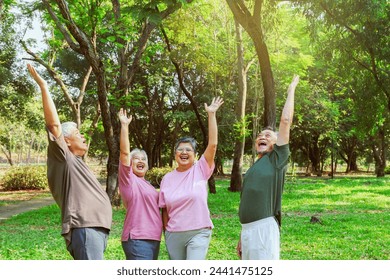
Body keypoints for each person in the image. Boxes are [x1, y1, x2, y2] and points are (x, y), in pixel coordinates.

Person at [27, 64, 112, 260]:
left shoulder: (77, 161)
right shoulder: (63, 157)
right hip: (84, 228)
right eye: (77, 133)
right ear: (65, 141)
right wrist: (44, 87)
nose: (82, 136)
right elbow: (53, 125)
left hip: (94, 230)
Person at [237, 75, 299, 260]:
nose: (262, 136)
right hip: (248, 230)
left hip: (263, 229)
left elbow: (285, 120)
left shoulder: (277, 159)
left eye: (268, 135)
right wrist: (242, 234)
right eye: (260, 135)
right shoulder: (256, 166)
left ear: (276, 143)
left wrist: (291, 91)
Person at [159, 96, 224, 260]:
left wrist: (211, 114)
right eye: (180, 150)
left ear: (195, 155)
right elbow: (165, 209)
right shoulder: (167, 178)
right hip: (174, 234)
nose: (184, 152)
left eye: (188, 150)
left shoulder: (201, 169)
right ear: (175, 155)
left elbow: (213, 145)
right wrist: (167, 232)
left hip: (199, 231)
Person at [118, 108, 163, 260]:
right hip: (137, 238)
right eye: (136, 158)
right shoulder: (129, 180)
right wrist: (125, 126)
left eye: (144, 159)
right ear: (130, 164)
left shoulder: (149, 186)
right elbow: (124, 153)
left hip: (154, 238)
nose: (141, 161)